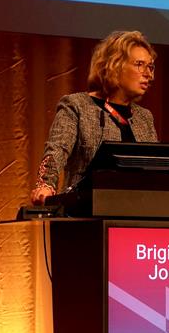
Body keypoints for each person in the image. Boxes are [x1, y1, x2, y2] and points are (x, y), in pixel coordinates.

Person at [30, 30, 159, 205]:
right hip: (83, 208)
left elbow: (153, 169)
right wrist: (45, 184)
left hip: (136, 208)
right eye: (139, 64)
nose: (149, 74)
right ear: (114, 65)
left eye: (150, 67)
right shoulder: (77, 105)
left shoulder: (144, 117)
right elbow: (57, 150)